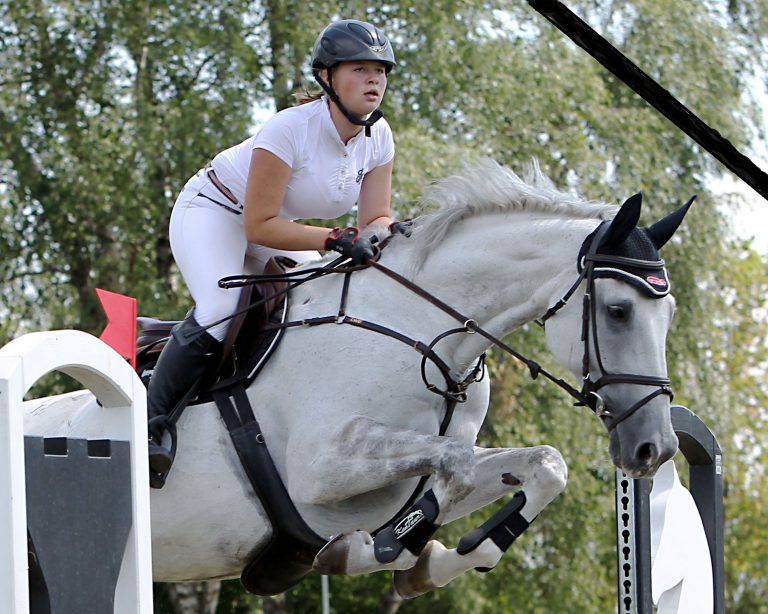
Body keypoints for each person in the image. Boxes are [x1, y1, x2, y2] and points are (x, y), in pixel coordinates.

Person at [146, 19, 401, 476]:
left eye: (380, 71)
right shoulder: (289, 129)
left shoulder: (378, 138)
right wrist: (333, 238)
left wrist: (390, 235)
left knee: (322, 300)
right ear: (327, 78)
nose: (374, 80)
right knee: (222, 307)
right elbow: (259, 226)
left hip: (276, 227)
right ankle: (151, 425)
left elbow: (374, 219)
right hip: (215, 211)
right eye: (360, 69)